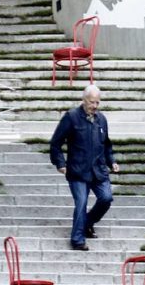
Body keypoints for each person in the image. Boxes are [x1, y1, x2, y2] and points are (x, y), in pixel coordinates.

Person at [48, 84, 119, 251]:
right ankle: (77, 239)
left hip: (99, 170)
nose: (94, 106)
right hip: (78, 171)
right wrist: (60, 163)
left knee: (106, 198)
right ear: (84, 100)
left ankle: (87, 223)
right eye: (91, 102)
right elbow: (55, 143)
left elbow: (106, 144)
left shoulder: (101, 119)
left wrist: (112, 161)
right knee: (81, 202)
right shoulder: (71, 117)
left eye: (97, 103)